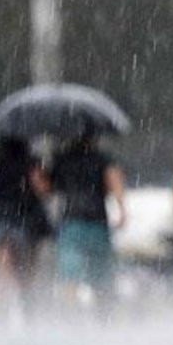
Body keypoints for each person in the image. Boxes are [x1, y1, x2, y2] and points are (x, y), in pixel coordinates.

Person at [49, 132, 127, 316]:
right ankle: (103, 318)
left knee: (70, 277)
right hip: (97, 223)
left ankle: (70, 318)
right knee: (101, 277)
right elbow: (114, 181)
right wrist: (122, 209)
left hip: (71, 224)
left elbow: (47, 188)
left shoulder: (61, 158)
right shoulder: (102, 158)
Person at [0, 136, 51, 318]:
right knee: (27, 268)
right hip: (28, 220)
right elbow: (43, 190)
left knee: (4, 263)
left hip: (3, 217)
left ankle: (5, 307)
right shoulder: (32, 163)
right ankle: (26, 306)